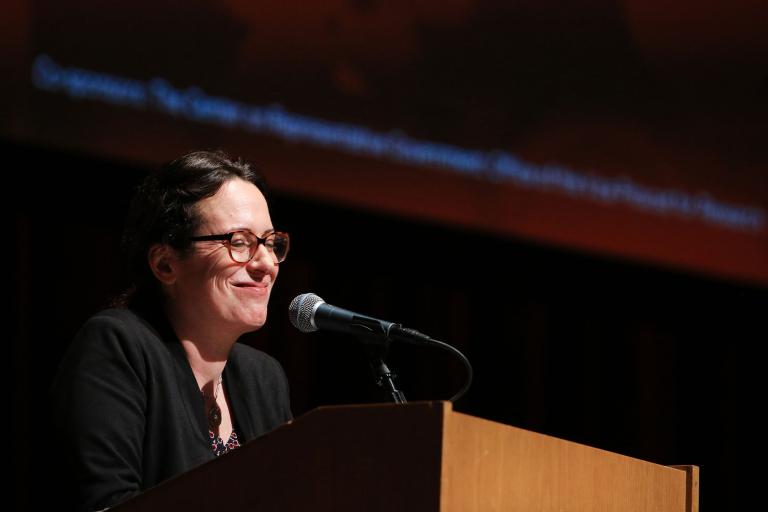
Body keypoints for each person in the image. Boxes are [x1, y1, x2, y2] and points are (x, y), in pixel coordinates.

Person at [51, 150, 293, 511]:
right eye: (239, 242)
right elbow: (107, 503)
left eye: (270, 242)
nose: (266, 263)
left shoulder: (264, 378)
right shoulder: (118, 347)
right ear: (165, 264)